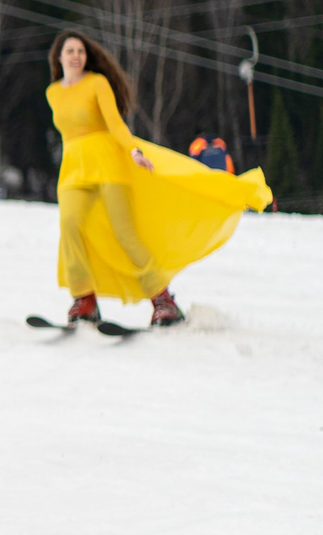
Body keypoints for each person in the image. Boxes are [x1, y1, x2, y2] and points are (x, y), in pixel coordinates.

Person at [47, 33, 271, 328]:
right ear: (58, 57)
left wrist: (134, 151)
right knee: (70, 225)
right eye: (69, 51)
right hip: (74, 168)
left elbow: (115, 123)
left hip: (108, 162)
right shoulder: (53, 92)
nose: (76, 56)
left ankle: (163, 300)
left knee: (124, 232)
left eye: (80, 51)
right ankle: (84, 299)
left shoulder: (97, 83)